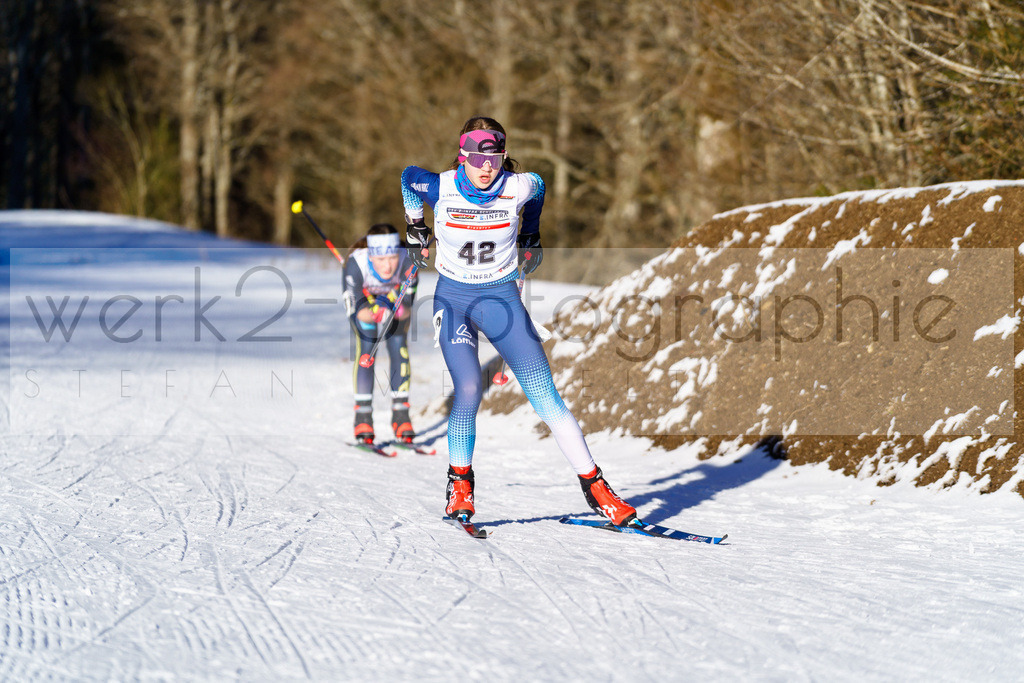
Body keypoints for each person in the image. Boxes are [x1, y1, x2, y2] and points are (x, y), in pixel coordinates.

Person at [400, 116, 637, 525]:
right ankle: (460, 483)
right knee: (470, 387)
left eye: (493, 157)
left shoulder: (519, 186)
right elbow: (407, 178)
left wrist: (532, 233)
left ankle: (596, 487)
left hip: (501, 299)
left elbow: (540, 187)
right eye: (476, 157)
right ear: (463, 155)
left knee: (546, 397)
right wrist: (415, 226)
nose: (485, 166)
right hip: (454, 299)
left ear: (503, 155)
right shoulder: (439, 186)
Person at [342, 223, 418, 444]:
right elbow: (359, 311)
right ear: (371, 256)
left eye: (392, 257)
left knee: (398, 345)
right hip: (365, 304)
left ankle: (401, 414)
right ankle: (363, 416)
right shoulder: (356, 264)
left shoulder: (408, 261)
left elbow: (406, 307)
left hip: (395, 304)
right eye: (381, 260)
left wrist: (393, 311)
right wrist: (374, 312)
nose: (388, 266)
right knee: (367, 347)